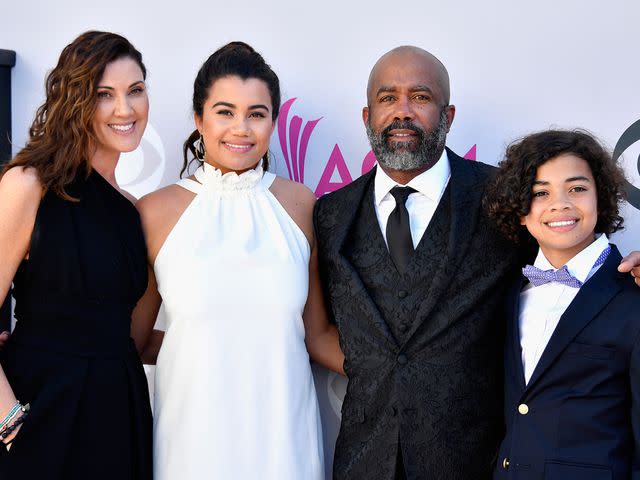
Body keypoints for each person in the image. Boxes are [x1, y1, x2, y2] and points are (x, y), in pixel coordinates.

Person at [313, 45, 640, 479]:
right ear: (367, 116)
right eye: (388, 98)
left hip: (478, 461)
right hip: (362, 462)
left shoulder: (502, 198)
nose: (402, 111)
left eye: (421, 97)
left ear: (448, 116)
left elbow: (571, 259)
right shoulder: (331, 214)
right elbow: (325, 331)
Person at [134, 42, 343, 480]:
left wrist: (407, 365)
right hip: (190, 441)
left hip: (285, 441)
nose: (241, 128)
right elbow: (131, 340)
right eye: (225, 112)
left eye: (257, 113)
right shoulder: (154, 212)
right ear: (199, 119)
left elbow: (317, 333)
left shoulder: (301, 204)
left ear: (273, 121)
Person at [0, 31, 152, 479]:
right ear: (76, 100)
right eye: (105, 95)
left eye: (135, 90)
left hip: (119, 414)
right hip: (42, 410)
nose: (125, 109)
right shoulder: (30, 184)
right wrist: (8, 415)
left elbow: (121, 329)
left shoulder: (129, 210)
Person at [484, 130, 639, 480]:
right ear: (521, 212)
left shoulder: (633, 296)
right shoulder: (511, 295)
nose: (561, 204)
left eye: (578, 188)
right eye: (541, 193)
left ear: (602, 198)